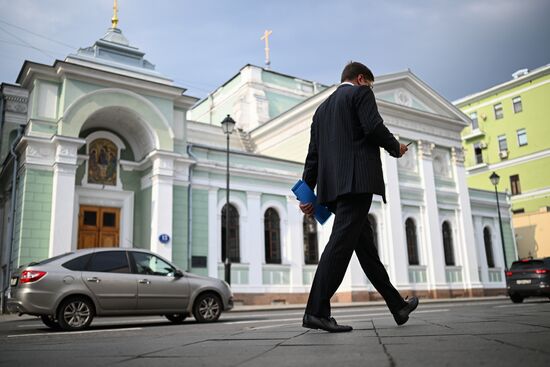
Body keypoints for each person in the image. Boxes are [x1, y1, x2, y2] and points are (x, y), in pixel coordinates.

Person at [300, 61, 419, 332]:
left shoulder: (321, 110)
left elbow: (313, 157)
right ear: (361, 79)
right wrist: (395, 148)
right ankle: (316, 311)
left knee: (366, 251)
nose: (370, 89)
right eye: (370, 84)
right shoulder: (360, 93)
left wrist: (307, 195)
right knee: (339, 246)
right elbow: (374, 127)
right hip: (357, 184)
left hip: (333, 190)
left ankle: (398, 306)